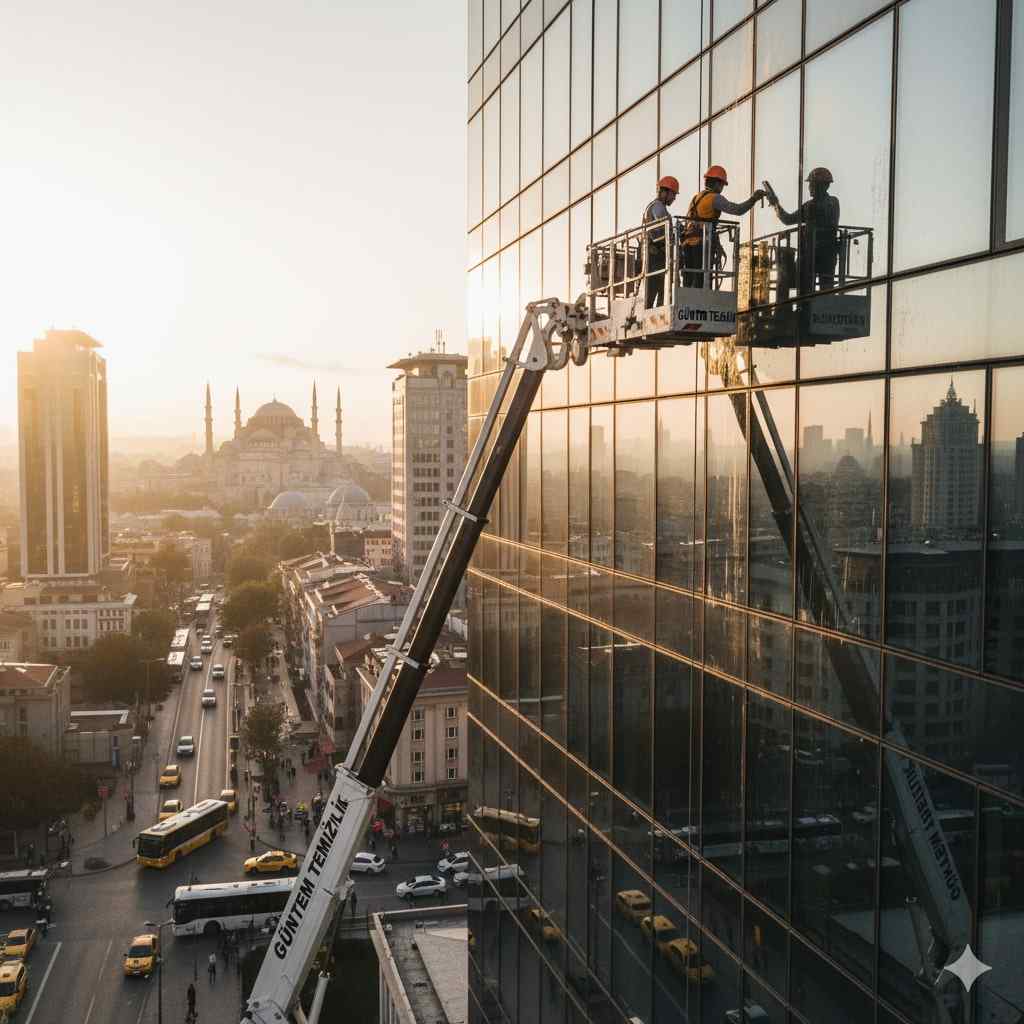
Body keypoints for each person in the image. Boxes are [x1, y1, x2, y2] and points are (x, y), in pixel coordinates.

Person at [681, 165, 765, 287]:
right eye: (721, 185)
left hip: (687, 244)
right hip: (700, 244)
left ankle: (687, 304)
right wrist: (753, 199)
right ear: (716, 183)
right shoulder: (714, 198)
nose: (722, 188)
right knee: (702, 281)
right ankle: (701, 304)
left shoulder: (696, 198)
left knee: (690, 280)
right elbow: (737, 210)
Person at [767, 166, 840, 294]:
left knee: (818, 292)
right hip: (820, 254)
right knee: (819, 291)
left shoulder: (824, 204)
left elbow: (787, 219)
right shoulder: (821, 204)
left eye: (813, 184)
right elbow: (788, 219)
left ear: (824, 186)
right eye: (810, 184)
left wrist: (775, 204)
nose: (810, 188)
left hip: (817, 254)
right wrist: (775, 204)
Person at [642, 175, 679, 308]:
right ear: (664, 192)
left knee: (658, 289)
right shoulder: (658, 207)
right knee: (658, 288)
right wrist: (674, 237)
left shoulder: (655, 206)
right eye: (673, 194)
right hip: (656, 255)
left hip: (655, 255)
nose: (674, 198)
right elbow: (661, 227)